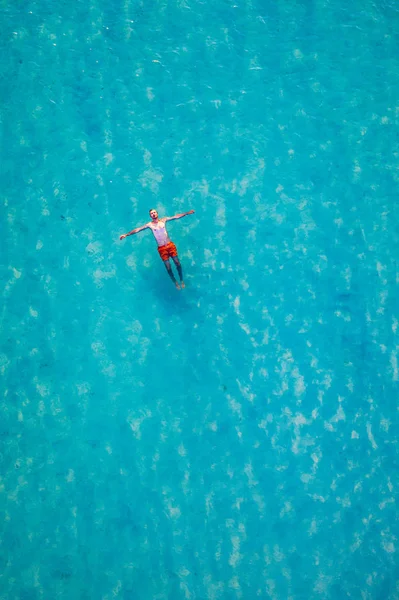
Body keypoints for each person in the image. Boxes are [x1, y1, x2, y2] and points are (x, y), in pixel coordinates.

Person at [120, 208, 195, 289]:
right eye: (152, 213)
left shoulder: (163, 220)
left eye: (154, 212)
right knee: (168, 267)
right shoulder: (150, 225)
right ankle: (175, 281)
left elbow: (176, 216)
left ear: (157, 213)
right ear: (150, 216)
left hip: (170, 245)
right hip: (162, 248)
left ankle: (181, 280)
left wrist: (187, 213)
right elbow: (138, 229)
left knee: (177, 263)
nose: (153, 214)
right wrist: (126, 234)